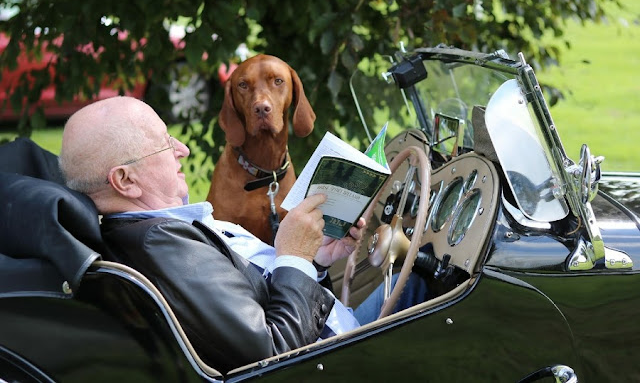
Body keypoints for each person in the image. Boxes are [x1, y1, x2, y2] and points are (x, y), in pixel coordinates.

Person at [59, 95, 429, 373]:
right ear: (125, 180)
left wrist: (314, 259)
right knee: (430, 280)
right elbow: (274, 354)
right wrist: (294, 257)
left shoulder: (159, 231)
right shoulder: (161, 245)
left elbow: (256, 301)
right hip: (341, 359)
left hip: (333, 333)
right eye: (164, 144)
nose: (183, 151)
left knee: (417, 277)